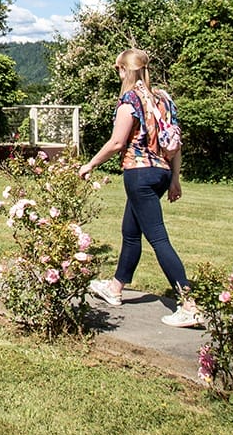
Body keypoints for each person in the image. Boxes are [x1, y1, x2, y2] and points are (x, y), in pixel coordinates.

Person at [78, 48, 202, 327]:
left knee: (158, 238)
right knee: (131, 232)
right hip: (161, 173)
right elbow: (175, 143)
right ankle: (115, 288)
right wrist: (175, 178)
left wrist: (90, 165)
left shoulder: (128, 101)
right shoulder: (164, 99)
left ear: (124, 70)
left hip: (139, 174)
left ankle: (189, 304)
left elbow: (118, 143)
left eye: (118, 70)